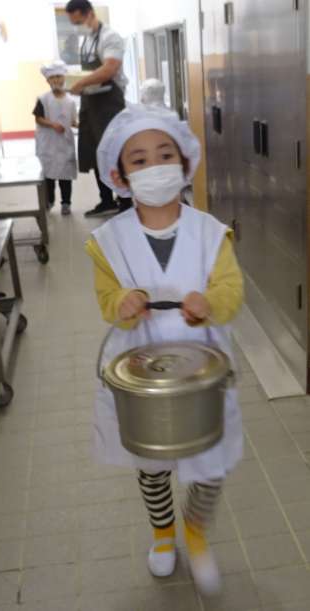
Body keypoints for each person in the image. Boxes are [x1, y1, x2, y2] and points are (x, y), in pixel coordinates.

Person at [86, 105, 244, 595]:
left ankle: (195, 531)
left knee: (212, 459)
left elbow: (231, 289)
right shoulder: (108, 241)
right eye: (139, 160)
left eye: (164, 155)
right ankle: (162, 533)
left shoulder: (210, 232)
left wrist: (210, 302)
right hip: (141, 362)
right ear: (119, 176)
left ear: (184, 162)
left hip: (203, 361)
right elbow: (107, 301)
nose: (154, 166)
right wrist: (123, 303)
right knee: (151, 461)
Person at [66, 0, 132, 217]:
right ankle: (106, 200)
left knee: (113, 151)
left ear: (90, 14)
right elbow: (89, 72)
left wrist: (81, 83)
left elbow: (109, 69)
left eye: (79, 22)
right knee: (94, 151)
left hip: (109, 103)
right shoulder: (87, 40)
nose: (77, 27)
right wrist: (78, 85)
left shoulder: (110, 37)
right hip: (90, 103)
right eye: (74, 24)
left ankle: (125, 200)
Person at [33, 61, 77, 216]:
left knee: (66, 175)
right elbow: (38, 118)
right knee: (49, 175)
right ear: (48, 81)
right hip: (48, 143)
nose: (56, 80)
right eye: (52, 78)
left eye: (59, 76)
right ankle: (49, 201)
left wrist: (82, 125)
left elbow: (73, 121)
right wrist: (53, 124)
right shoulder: (43, 98)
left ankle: (66, 203)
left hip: (64, 143)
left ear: (64, 78)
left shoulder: (71, 100)